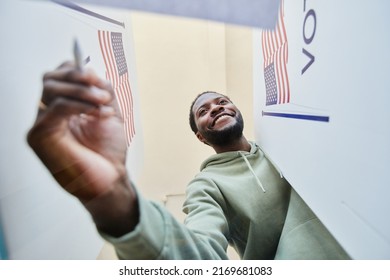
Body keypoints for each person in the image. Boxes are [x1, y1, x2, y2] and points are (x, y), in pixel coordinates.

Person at [27, 62, 350, 259]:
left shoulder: (284, 141)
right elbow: (200, 254)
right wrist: (117, 200)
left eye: (223, 102)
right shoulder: (206, 186)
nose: (217, 109)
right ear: (200, 136)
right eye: (204, 112)